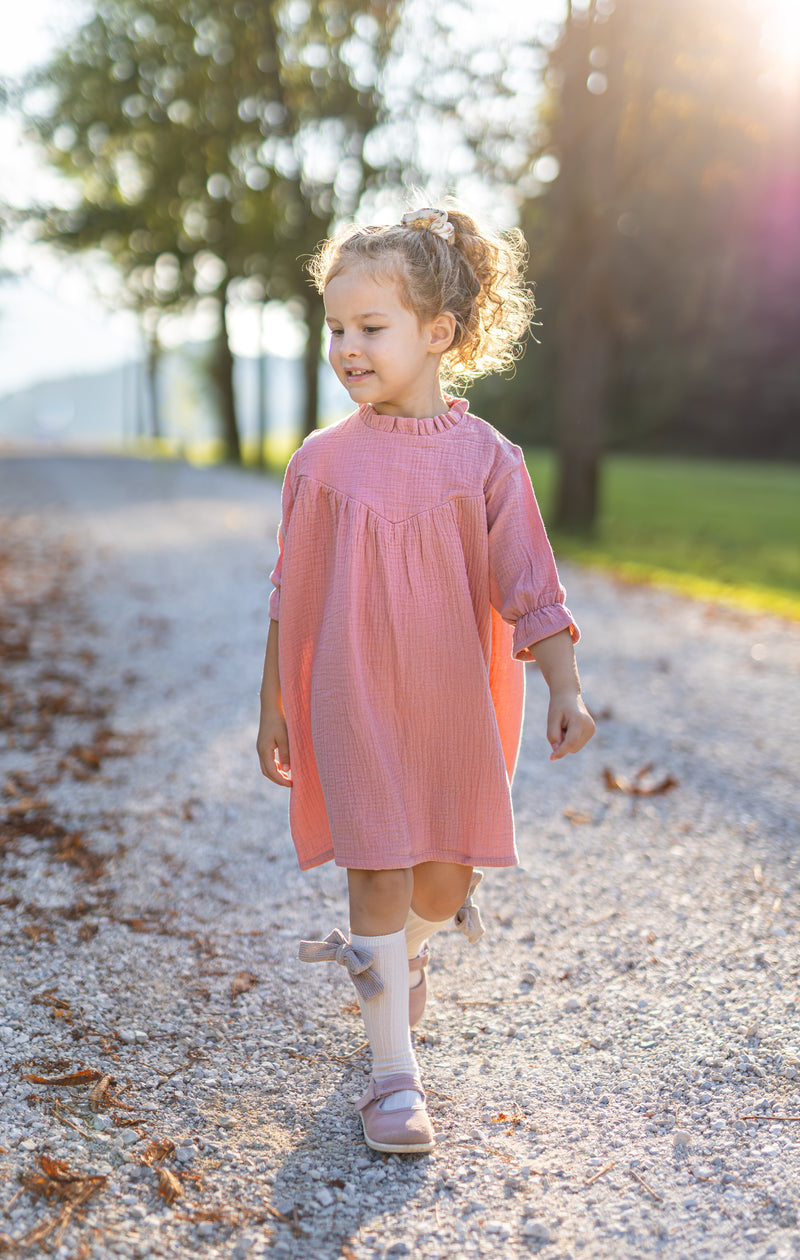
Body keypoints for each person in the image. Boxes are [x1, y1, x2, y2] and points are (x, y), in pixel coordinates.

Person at [257, 204, 595, 1156]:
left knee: (440, 885)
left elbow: (531, 581)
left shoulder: (487, 460)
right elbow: (290, 590)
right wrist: (275, 701)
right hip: (352, 698)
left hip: (450, 701)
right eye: (335, 329)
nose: (347, 348)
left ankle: (402, 960)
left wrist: (565, 686)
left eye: (371, 328)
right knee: (376, 867)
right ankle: (392, 1077)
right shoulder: (319, 465)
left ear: (437, 333)